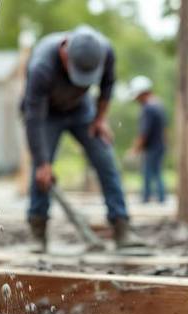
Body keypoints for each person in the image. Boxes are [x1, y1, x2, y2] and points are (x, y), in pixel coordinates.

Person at [22, 25, 142, 252]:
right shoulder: (42, 66)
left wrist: (100, 119)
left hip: (81, 110)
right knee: (42, 172)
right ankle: (38, 232)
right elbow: (33, 118)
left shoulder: (105, 51)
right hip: (45, 114)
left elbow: (107, 86)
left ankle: (122, 227)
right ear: (64, 52)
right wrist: (42, 161)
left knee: (106, 160)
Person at [127, 76, 167, 204]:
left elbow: (144, 132)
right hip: (160, 145)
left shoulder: (148, 108)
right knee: (156, 172)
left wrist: (135, 149)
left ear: (143, 93)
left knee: (148, 172)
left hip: (152, 147)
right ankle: (161, 198)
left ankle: (146, 198)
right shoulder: (159, 104)